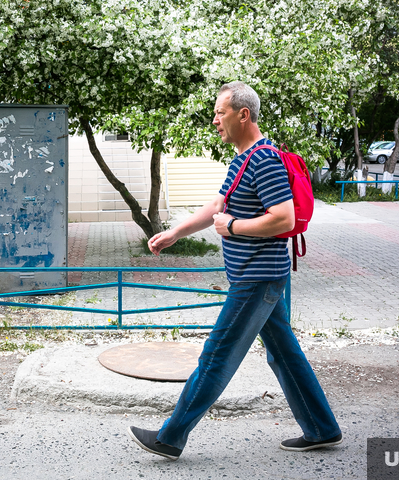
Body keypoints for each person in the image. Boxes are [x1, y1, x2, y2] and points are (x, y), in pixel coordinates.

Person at [127, 82, 342, 460]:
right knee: (284, 354)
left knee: (216, 355)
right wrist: (176, 232)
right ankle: (322, 428)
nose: (215, 121)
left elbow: (283, 217)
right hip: (262, 277)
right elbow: (218, 205)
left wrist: (233, 228)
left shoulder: (264, 159)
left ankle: (170, 437)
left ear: (243, 115)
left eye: (220, 113)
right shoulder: (243, 159)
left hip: (256, 278)